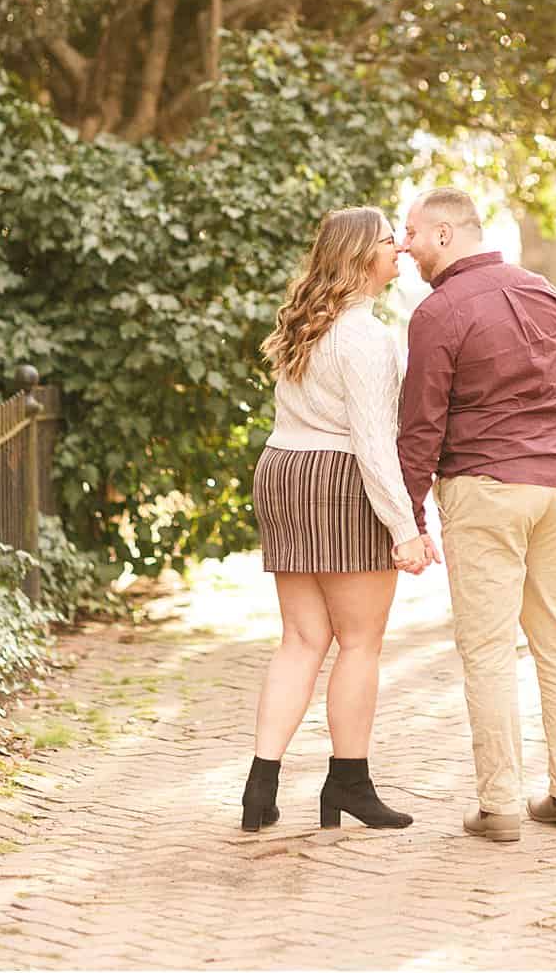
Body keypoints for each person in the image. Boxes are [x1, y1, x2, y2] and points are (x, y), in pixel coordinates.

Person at [395, 187, 556, 844]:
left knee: (487, 649)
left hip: (486, 487)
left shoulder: (439, 311)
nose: (405, 246)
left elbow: (420, 426)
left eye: (413, 233)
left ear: (447, 234)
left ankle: (501, 806)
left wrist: (413, 518)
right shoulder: (546, 294)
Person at [241, 205, 437, 834]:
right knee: (359, 642)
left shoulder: (308, 326)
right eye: (388, 243)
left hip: (282, 471)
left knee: (300, 640)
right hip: (336, 479)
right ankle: (349, 782)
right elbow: (375, 443)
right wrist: (405, 528)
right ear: (361, 258)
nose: (398, 252)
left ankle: (260, 788)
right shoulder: (365, 337)